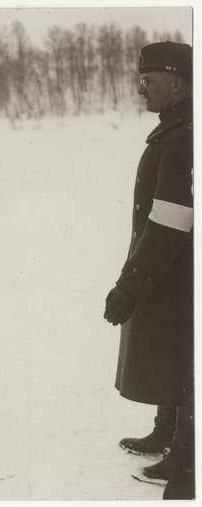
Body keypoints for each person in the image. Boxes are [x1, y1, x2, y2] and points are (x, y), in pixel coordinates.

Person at [103, 41, 193, 500]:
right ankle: (167, 433)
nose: (140, 89)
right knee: (170, 349)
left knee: (184, 356)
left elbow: (172, 222)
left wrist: (130, 285)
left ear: (177, 84)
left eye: (149, 80)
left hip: (179, 270)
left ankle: (187, 457)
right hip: (165, 266)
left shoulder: (186, 137)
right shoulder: (174, 129)